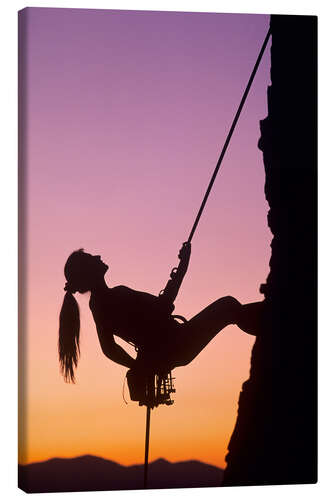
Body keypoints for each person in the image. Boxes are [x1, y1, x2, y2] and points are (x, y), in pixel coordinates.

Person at [58, 244, 263, 384]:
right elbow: (164, 304)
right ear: (88, 271)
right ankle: (271, 323)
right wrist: (139, 367)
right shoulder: (108, 300)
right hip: (176, 344)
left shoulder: (102, 302)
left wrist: (141, 366)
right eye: (91, 258)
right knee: (228, 306)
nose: (98, 256)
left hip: (170, 349)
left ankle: (268, 321)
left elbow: (110, 347)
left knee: (229, 308)